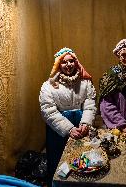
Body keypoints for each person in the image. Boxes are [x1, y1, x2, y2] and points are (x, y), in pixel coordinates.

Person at [39, 48, 96, 185]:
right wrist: (69, 129)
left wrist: (85, 123)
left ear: (76, 62)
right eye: (64, 62)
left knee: (83, 157)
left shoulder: (85, 82)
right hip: (59, 130)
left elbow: (90, 104)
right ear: (58, 64)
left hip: (81, 125)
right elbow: (48, 111)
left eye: (71, 61)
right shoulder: (48, 86)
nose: (68, 64)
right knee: (59, 159)